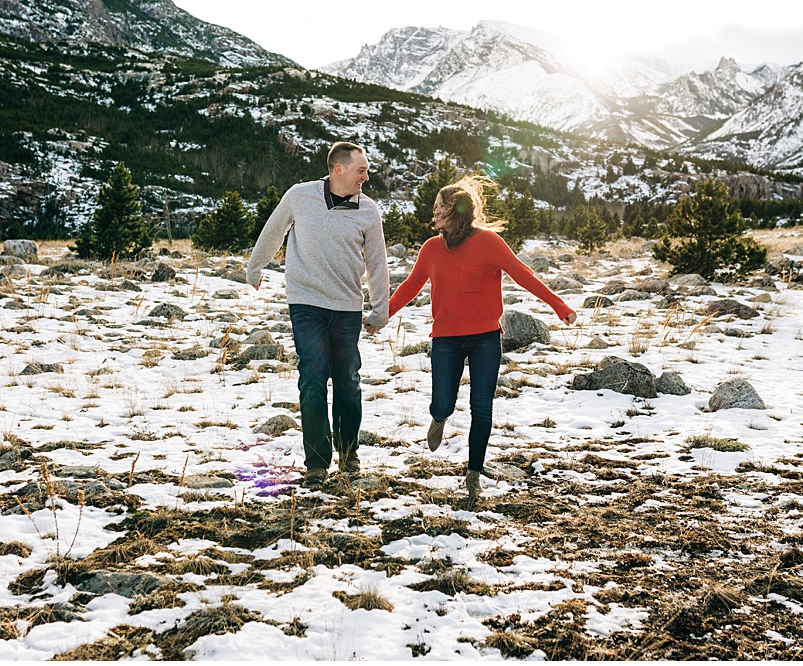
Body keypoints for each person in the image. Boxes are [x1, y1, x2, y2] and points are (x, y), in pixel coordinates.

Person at [385, 174, 576, 501]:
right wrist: (381, 315)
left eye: (438, 208)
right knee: (443, 401)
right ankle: (439, 416)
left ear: (454, 212)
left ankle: (474, 472)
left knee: (482, 406)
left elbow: (522, 274)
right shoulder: (431, 248)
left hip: (485, 338)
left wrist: (560, 306)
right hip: (445, 339)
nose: (433, 213)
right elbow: (410, 286)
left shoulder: (489, 242)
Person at [246, 141, 389, 488]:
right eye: (361, 170)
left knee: (347, 381)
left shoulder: (369, 211)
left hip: (346, 308)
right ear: (338, 169)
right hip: (306, 302)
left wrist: (380, 310)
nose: (366, 177)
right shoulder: (299, 196)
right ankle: (316, 463)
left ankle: (349, 453)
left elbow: (377, 262)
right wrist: (255, 267)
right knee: (312, 378)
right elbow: (273, 230)